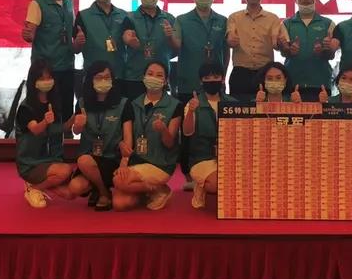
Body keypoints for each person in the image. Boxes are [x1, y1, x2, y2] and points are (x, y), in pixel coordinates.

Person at [174, 0, 230, 189]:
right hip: (188, 82)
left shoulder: (222, 20)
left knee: (215, 128)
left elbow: (226, 51)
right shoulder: (182, 20)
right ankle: (188, 175)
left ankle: (215, 166)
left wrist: (223, 75)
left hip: (214, 82)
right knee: (187, 132)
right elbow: (176, 47)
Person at [112, 60, 184, 211]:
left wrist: (163, 130)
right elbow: (127, 139)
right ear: (143, 77)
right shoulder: (133, 104)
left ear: (165, 81)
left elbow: (170, 143)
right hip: (136, 161)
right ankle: (150, 191)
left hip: (160, 164)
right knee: (120, 203)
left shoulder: (175, 105)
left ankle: (158, 188)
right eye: (150, 74)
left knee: (119, 181)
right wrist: (123, 159)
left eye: (159, 75)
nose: (154, 78)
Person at [14, 61, 82, 208]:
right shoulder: (26, 107)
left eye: (49, 77)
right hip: (32, 163)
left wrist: (73, 120)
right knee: (65, 171)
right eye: (41, 78)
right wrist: (45, 121)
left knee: (70, 194)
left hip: (52, 159)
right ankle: (34, 188)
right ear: (33, 81)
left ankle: (40, 184)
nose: (46, 81)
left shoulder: (54, 102)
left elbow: (59, 129)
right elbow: (35, 130)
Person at [72, 60, 133, 212]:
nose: (103, 81)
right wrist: (78, 125)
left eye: (107, 77)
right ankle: (103, 191)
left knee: (85, 163)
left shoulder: (123, 103)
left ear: (113, 79)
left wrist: (125, 161)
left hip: (112, 158)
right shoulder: (82, 103)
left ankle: (102, 193)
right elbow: (76, 131)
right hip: (90, 157)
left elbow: (128, 136)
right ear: (91, 80)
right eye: (99, 77)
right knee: (75, 187)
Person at [21, 0, 77, 119]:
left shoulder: (68, 2)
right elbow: (30, 32)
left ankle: (65, 136)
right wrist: (28, 35)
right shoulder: (37, 4)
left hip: (67, 68)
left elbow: (71, 32)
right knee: (45, 116)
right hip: (45, 73)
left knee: (66, 113)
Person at [226, 0, 289, 98]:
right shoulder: (234, 17)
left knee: (265, 108)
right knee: (238, 107)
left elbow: (279, 44)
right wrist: (230, 40)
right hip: (240, 73)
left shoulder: (273, 18)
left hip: (265, 73)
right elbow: (230, 37)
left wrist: (282, 44)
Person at [182, 62, 232, 209]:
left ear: (223, 79)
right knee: (217, 183)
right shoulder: (193, 103)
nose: (212, 80)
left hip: (227, 158)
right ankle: (200, 185)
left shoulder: (232, 103)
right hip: (202, 159)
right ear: (201, 81)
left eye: (216, 77)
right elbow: (187, 132)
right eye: (207, 78)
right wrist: (191, 112)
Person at [121, 0, 179, 101]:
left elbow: (177, 49)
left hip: (160, 78)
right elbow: (126, 36)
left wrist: (170, 37)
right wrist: (130, 41)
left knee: (160, 111)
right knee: (134, 111)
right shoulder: (129, 17)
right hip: (135, 78)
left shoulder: (169, 19)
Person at [282, 0, 336, 102]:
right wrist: (290, 50)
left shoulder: (328, 24)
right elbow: (283, 52)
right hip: (293, 82)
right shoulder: (286, 24)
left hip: (321, 83)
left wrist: (324, 50)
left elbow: (331, 55)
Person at [73, 0, 131, 81]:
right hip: (94, 76)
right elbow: (76, 50)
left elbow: (130, 43)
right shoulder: (83, 16)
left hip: (119, 75)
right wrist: (78, 42)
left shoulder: (124, 15)